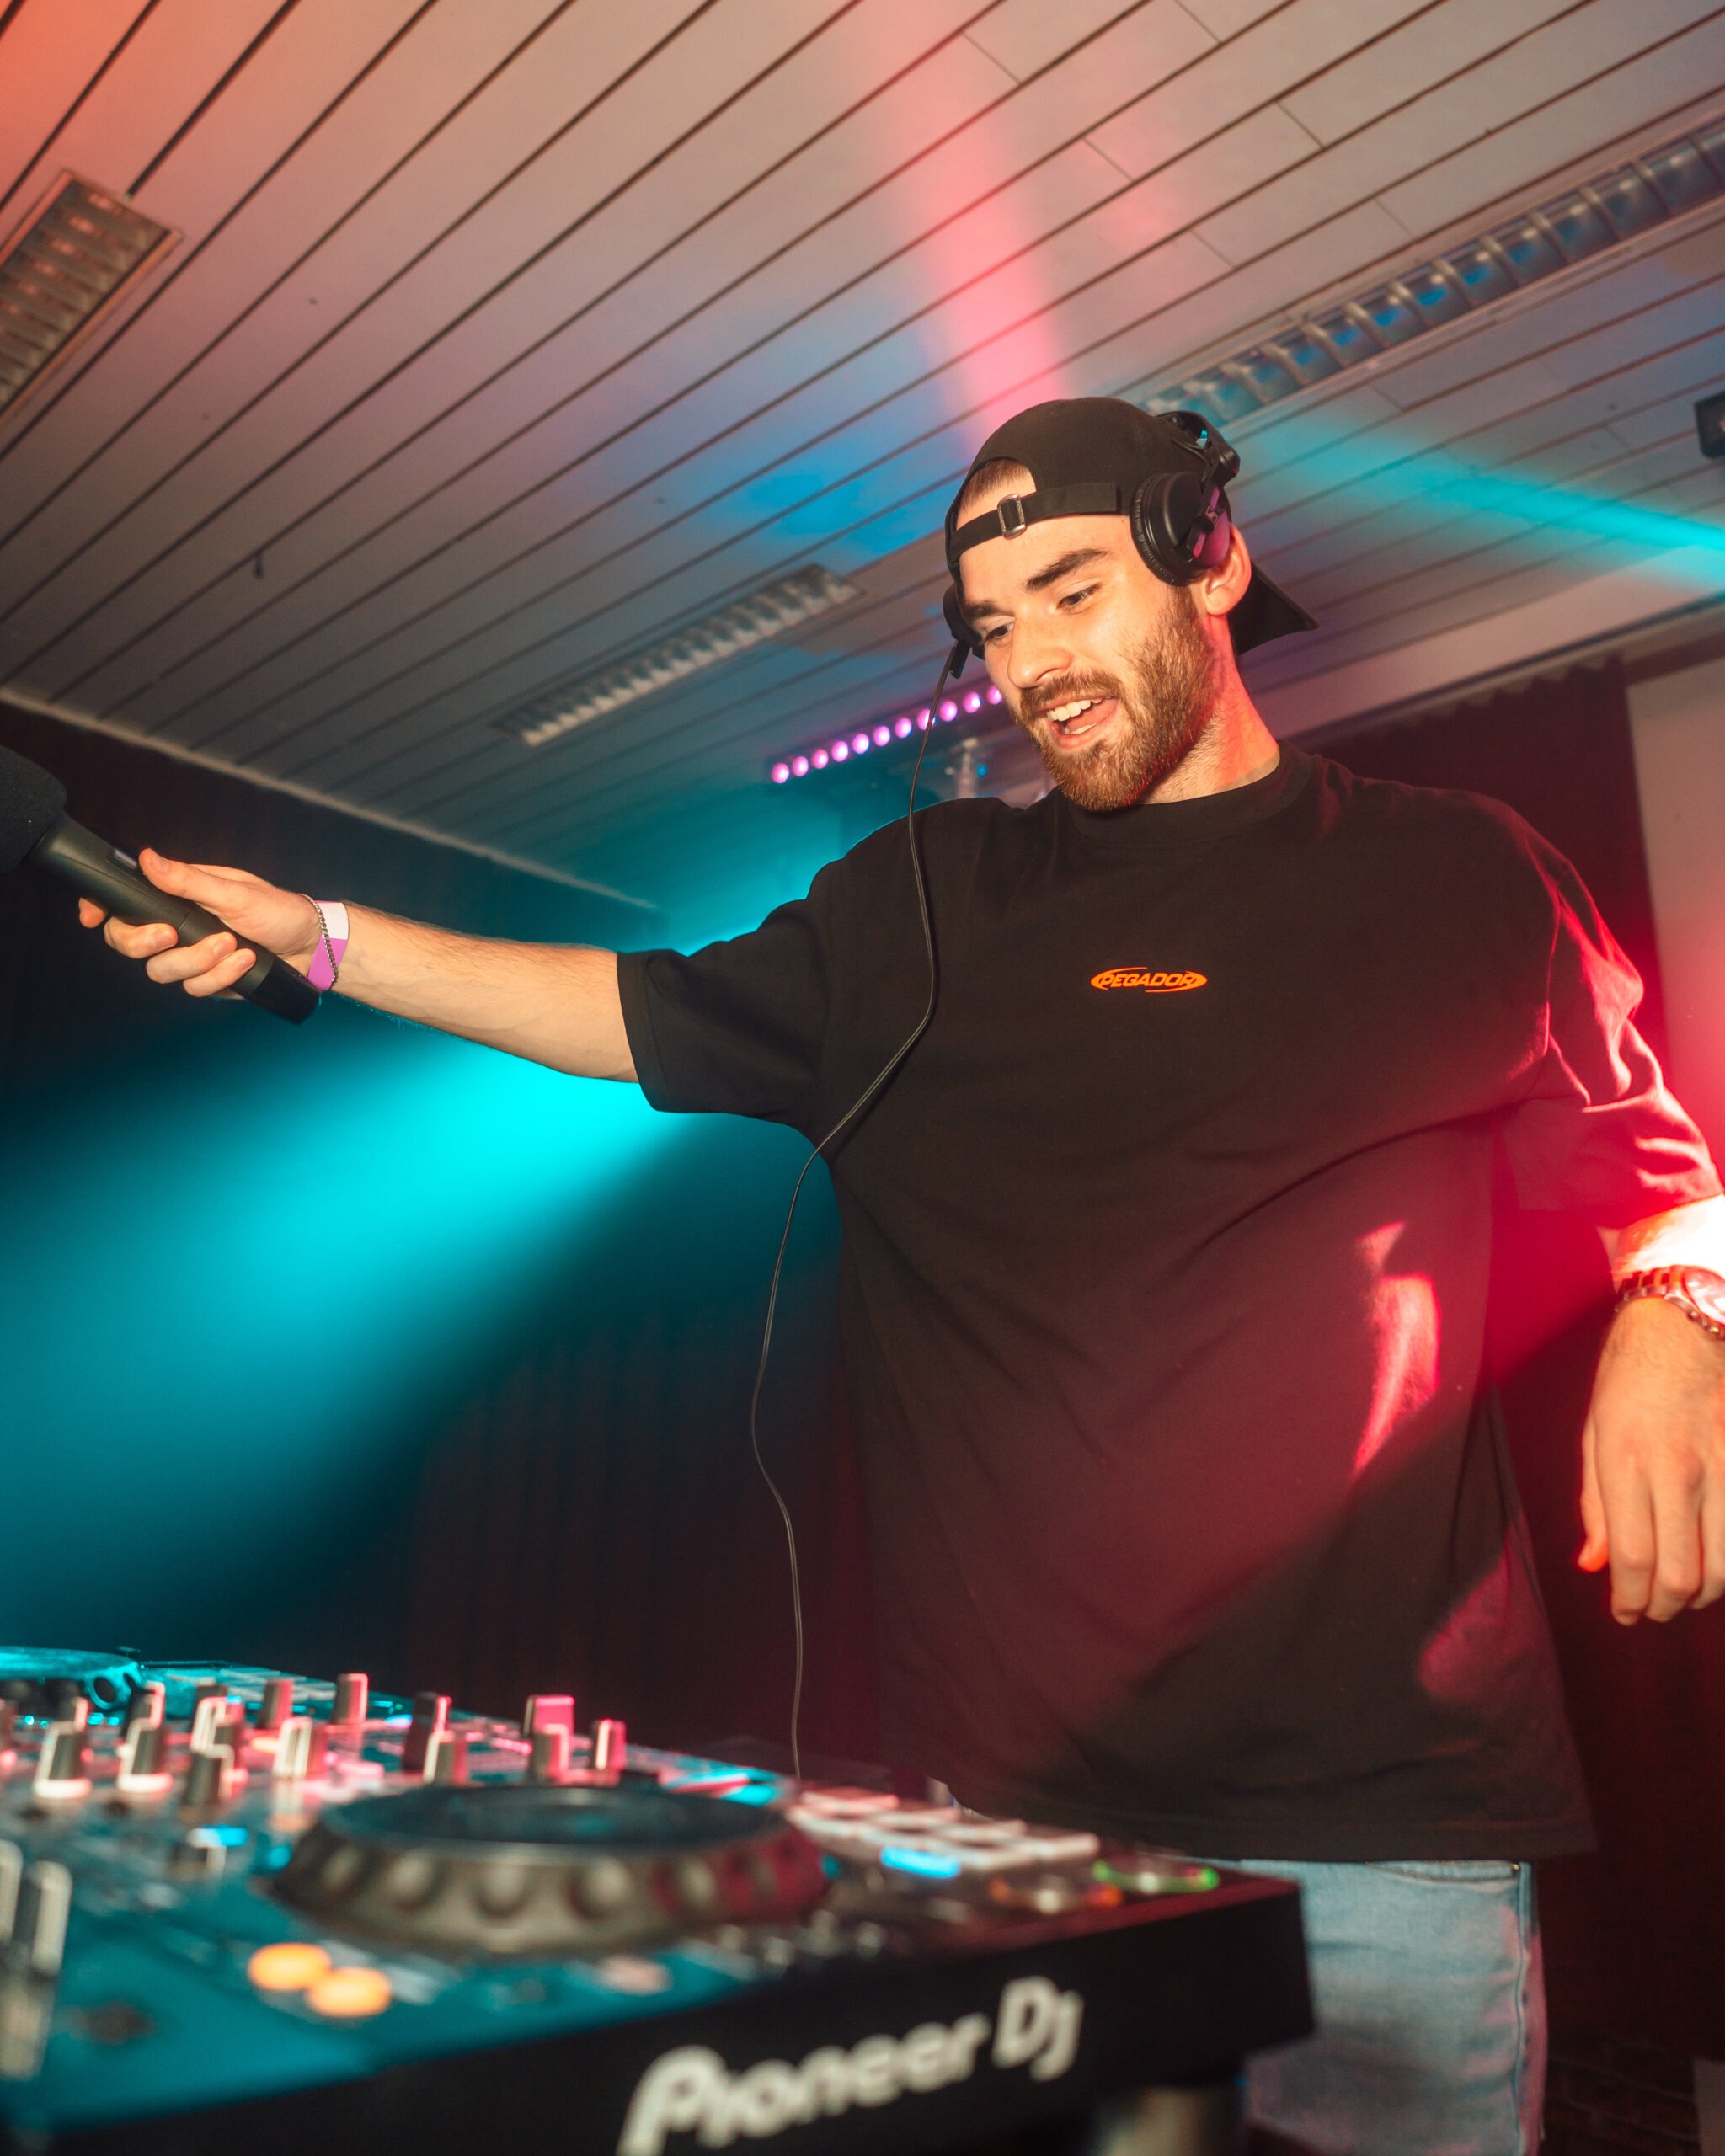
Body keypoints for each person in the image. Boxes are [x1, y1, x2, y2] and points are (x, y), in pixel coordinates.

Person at [82, 399, 1725, 2156]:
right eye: (996, 626)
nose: (1036, 664)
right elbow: (626, 1009)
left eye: (1074, 591)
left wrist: (1675, 1322)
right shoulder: (925, 903)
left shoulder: (1458, 870)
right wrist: (323, 938)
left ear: (1213, 563)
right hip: (1016, 1823)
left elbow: (1666, 1175)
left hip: (1384, 1826)